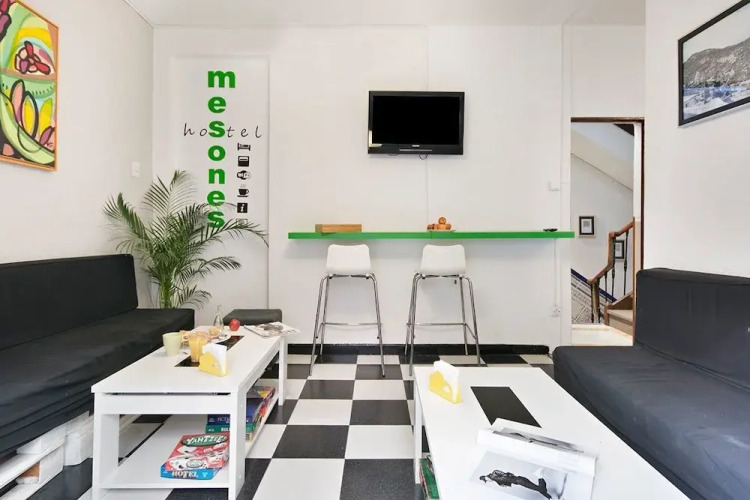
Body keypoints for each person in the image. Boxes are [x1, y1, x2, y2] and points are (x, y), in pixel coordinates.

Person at [479, 469, 552, 499]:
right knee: (539, 489)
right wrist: (502, 484)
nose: (488, 480)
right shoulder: (496, 480)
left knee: (541, 489)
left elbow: (504, 474)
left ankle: (539, 476)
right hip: (520, 481)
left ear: (486, 476)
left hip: (520, 480)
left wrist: (504, 478)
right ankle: (550, 498)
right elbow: (505, 480)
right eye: (486, 481)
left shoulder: (493, 475)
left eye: (486, 479)